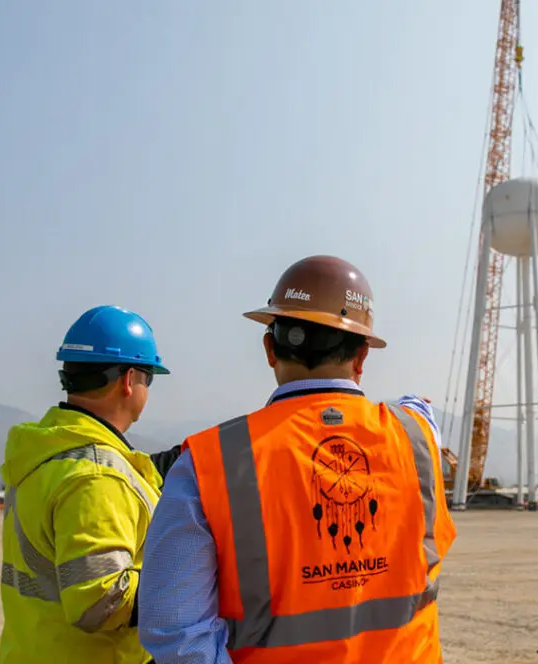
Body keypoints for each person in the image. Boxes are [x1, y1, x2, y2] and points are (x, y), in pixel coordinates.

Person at [138, 255, 456, 663]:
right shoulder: (416, 438)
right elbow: (421, 411)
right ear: (362, 357)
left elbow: (174, 630)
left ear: (270, 348)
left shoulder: (208, 463)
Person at [0, 305, 174, 664]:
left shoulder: (47, 451)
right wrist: (192, 579)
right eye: (149, 378)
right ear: (129, 380)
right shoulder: (96, 476)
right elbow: (101, 602)